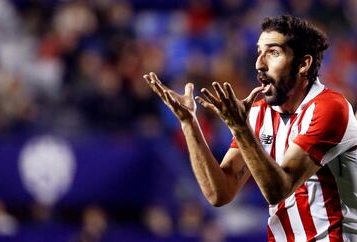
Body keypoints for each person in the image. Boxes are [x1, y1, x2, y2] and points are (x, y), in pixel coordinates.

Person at [143, 14, 357, 241]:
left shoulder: (330, 108)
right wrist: (189, 123)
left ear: (304, 64)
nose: (259, 64)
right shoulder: (259, 113)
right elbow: (220, 193)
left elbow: (278, 189)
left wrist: (239, 127)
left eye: (273, 53)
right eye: (259, 52)